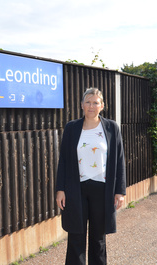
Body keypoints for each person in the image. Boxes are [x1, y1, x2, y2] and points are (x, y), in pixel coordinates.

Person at [55, 88, 126, 265]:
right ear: (82, 105)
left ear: (102, 106)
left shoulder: (111, 128)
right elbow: (63, 160)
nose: (91, 106)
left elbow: (119, 160)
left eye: (96, 102)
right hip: (75, 189)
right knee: (75, 236)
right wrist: (60, 189)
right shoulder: (72, 128)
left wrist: (120, 191)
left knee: (98, 239)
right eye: (88, 102)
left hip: (102, 189)